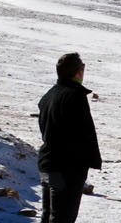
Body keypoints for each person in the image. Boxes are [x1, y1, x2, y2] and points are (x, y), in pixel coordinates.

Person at [37, 53, 102, 223]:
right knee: (62, 216)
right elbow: (84, 133)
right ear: (78, 73)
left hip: (47, 164)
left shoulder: (49, 95)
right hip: (66, 169)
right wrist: (88, 161)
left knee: (48, 214)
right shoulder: (74, 96)